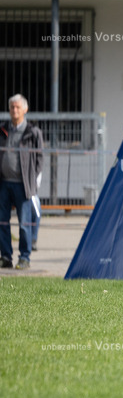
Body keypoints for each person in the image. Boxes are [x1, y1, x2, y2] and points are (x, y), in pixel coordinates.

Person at [0, 94, 43, 269]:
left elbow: (39, 159)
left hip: (23, 185)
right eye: (12, 107)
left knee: (24, 223)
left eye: (18, 107)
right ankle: (5, 257)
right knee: (2, 222)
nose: (14, 110)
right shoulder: (2, 129)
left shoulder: (32, 132)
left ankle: (25, 257)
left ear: (25, 109)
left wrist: (32, 179)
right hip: (3, 184)